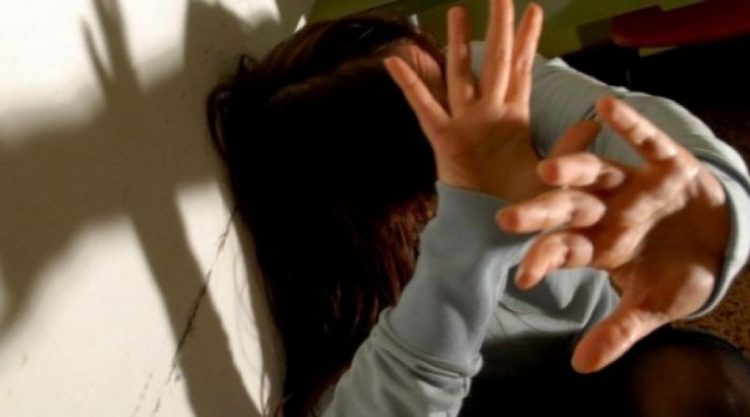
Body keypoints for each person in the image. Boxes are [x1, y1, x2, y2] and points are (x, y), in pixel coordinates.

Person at [208, 0, 750, 415]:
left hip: (609, 352)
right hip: (475, 399)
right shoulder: (339, 283)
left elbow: (625, 123)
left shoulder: (476, 83)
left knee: (698, 387)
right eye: (437, 120)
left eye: (447, 72)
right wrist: (471, 230)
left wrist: (716, 205)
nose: (469, 97)